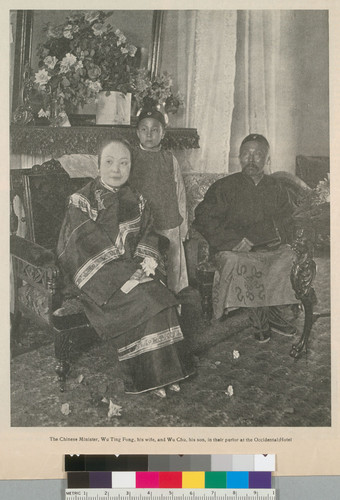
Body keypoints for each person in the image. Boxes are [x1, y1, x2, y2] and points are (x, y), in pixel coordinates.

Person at [57, 138, 194, 398]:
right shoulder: (81, 201)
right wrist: (125, 274)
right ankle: (148, 377)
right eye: (109, 162)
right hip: (98, 282)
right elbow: (80, 246)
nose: (116, 169)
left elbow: (148, 235)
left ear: (131, 166)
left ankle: (168, 373)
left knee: (161, 296)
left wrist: (146, 266)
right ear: (98, 166)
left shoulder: (137, 199)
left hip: (135, 272)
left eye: (123, 163)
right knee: (146, 300)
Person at [193, 133, 298, 343]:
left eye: (258, 154)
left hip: (268, 247)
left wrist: (260, 237)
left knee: (290, 256)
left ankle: (269, 310)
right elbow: (202, 217)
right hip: (234, 248)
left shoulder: (277, 188)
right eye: (246, 154)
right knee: (237, 260)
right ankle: (261, 314)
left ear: (267, 159)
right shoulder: (224, 187)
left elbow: (289, 220)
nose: (251, 159)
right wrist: (233, 240)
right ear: (239, 157)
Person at [129, 107, 188, 294]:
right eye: (144, 129)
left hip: (168, 222)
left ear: (162, 134)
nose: (149, 134)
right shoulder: (131, 157)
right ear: (137, 133)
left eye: (155, 130)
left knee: (172, 267)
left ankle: (175, 306)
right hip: (142, 226)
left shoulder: (169, 159)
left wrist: (184, 225)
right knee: (144, 269)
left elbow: (180, 193)